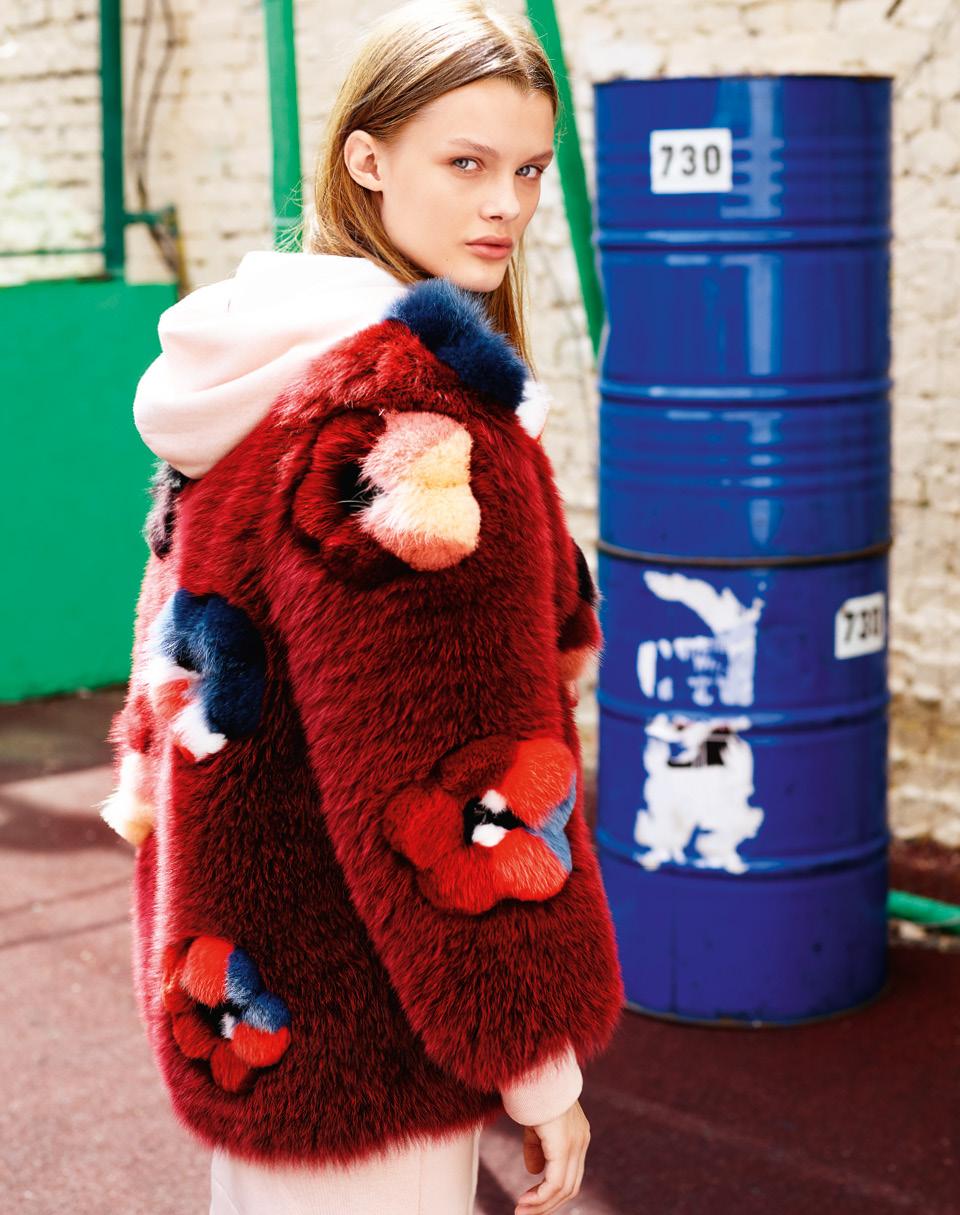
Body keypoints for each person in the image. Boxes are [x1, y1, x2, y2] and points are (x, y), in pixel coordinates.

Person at [102, 3, 625, 1213]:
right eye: (467, 163)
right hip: (368, 1014)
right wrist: (540, 1070)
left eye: (528, 170)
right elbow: (451, 770)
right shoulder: (408, 423)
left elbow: (168, 671)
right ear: (368, 159)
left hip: (246, 992)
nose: (506, 206)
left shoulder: (254, 373)